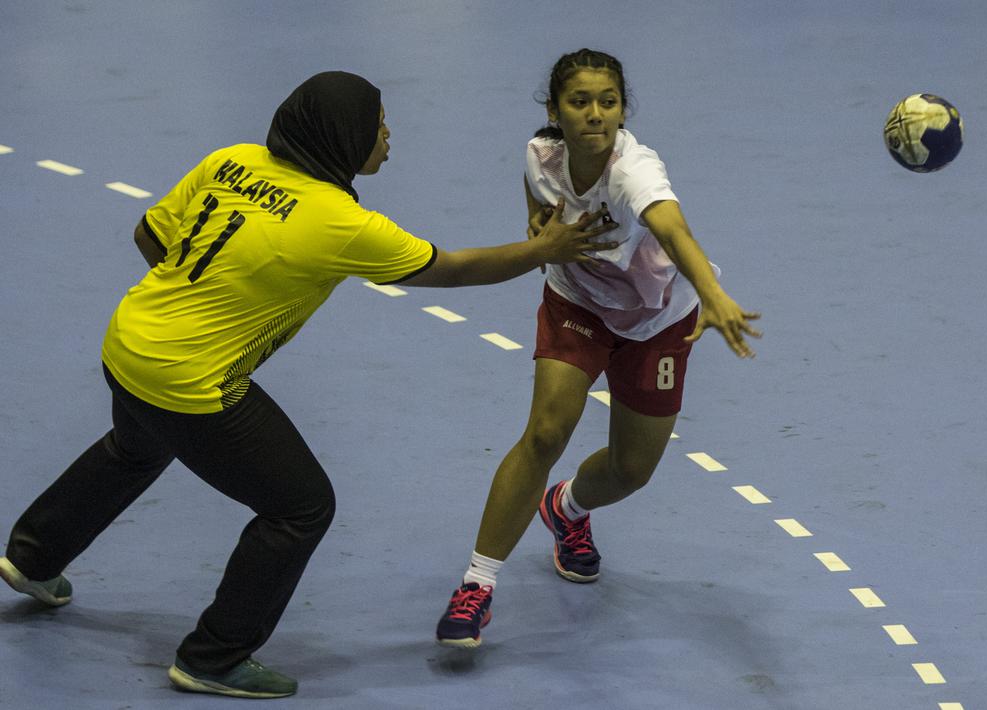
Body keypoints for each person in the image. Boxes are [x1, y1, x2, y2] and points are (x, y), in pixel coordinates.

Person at [0, 70, 616, 699]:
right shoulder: (339, 221)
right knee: (300, 508)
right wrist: (544, 249)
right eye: (377, 125)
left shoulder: (232, 160)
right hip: (191, 381)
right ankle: (213, 657)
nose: (387, 135)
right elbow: (451, 270)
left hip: (129, 342)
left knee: (135, 447)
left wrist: (207, 300)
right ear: (342, 136)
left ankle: (32, 556)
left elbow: (149, 236)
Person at [435, 49, 761, 647]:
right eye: (580, 102)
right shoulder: (540, 154)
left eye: (608, 102)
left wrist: (713, 293)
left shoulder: (634, 172)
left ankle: (566, 510)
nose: (595, 114)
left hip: (658, 320)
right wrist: (540, 233)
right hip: (578, 304)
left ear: (622, 110)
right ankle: (476, 587)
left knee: (630, 471)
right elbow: (539, 199)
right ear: (555, 112)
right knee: (545, 434)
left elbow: (673, 229)